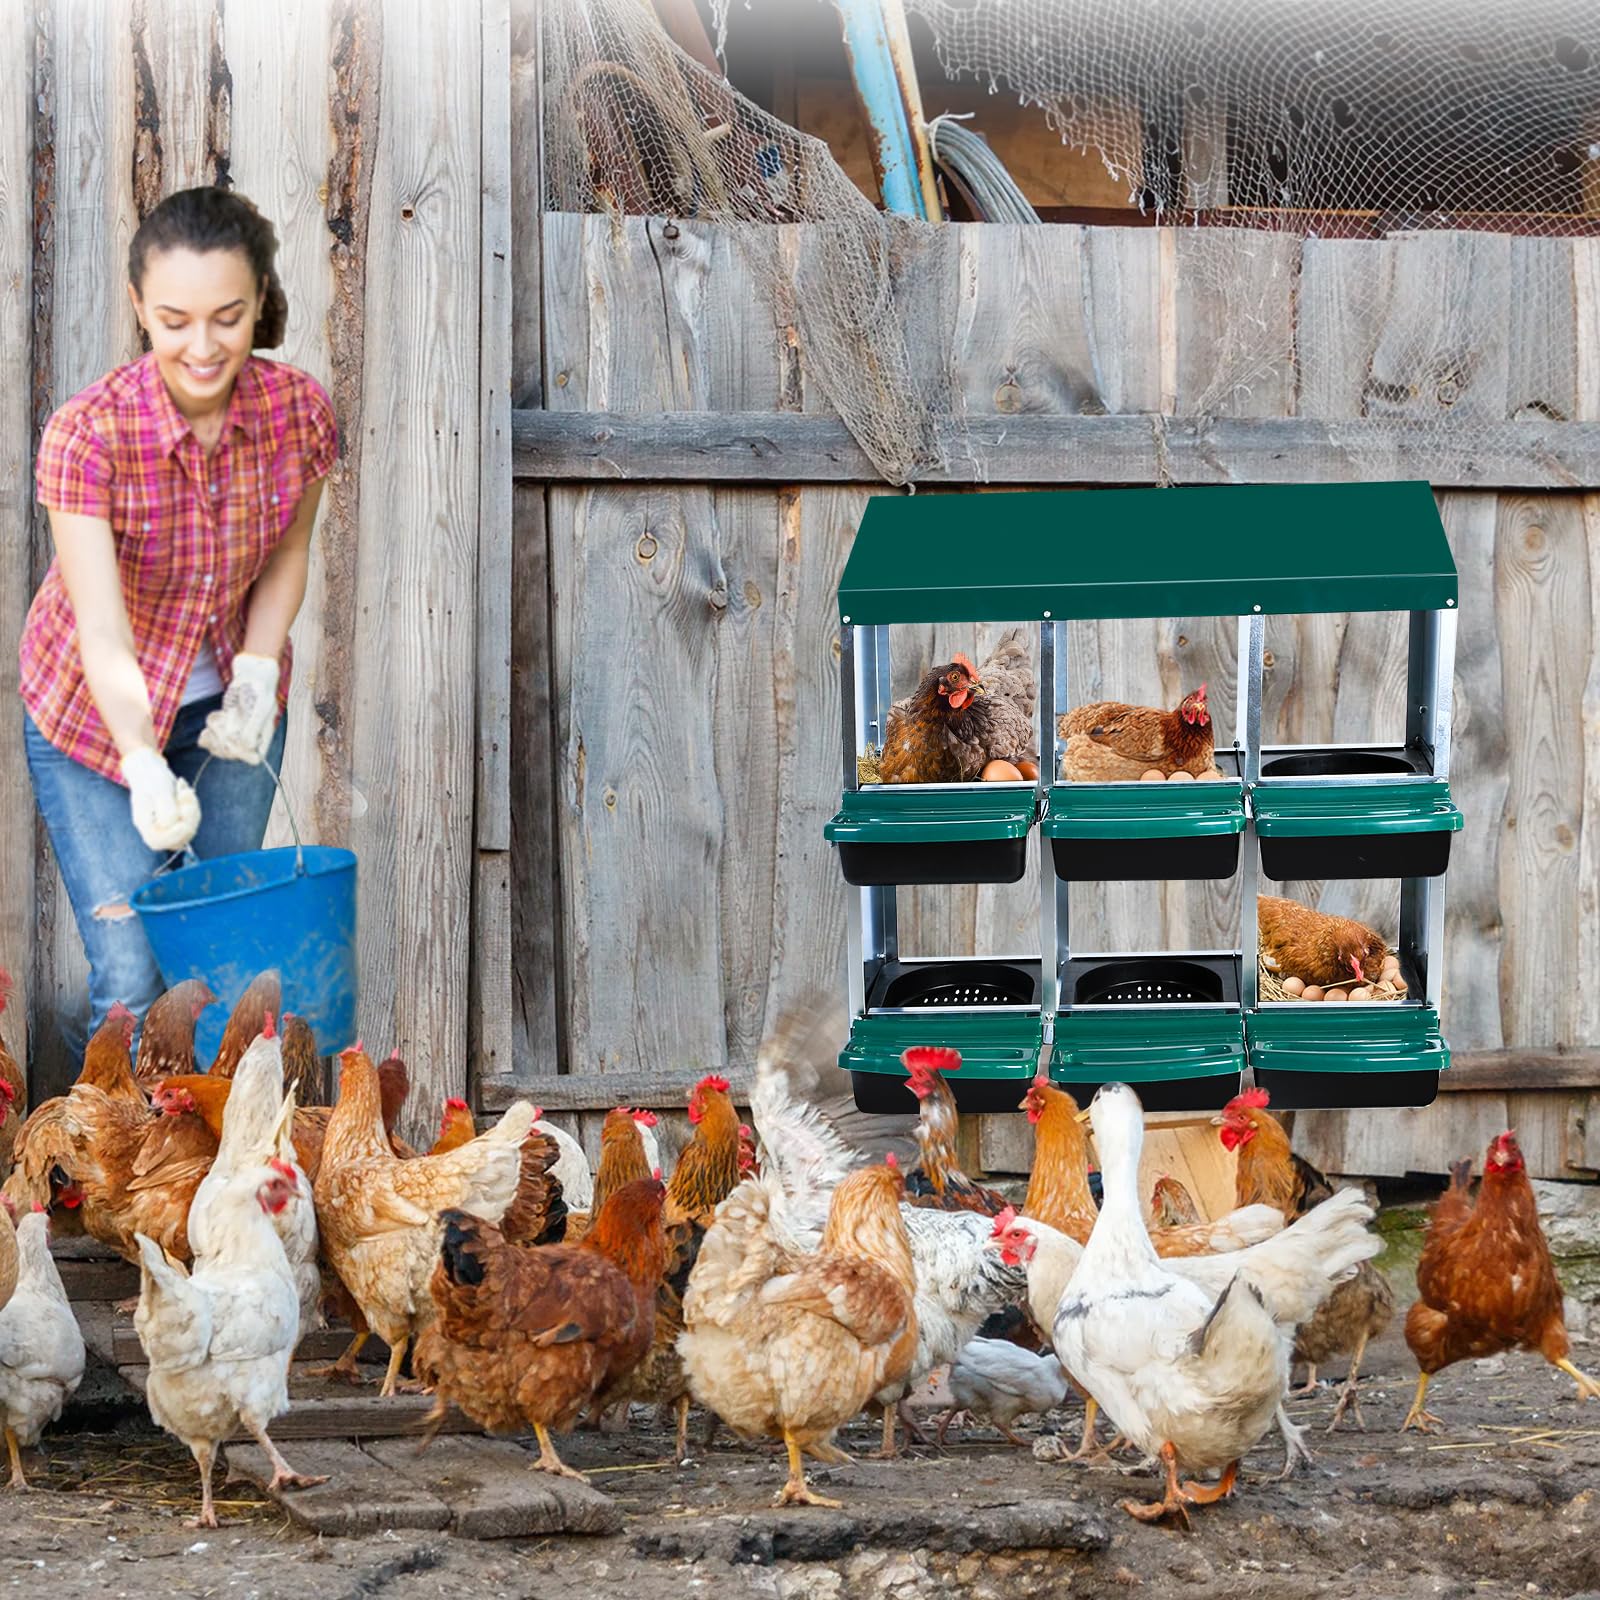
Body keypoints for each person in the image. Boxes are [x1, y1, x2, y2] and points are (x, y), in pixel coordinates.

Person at [20, 185, 338, 1054]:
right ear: (139, 309)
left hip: (227, 708)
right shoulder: (88, 434)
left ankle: (208, 1181)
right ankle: (110, 1187)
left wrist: (258, 673)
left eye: (228, 318)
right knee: (131, 975)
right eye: (174, 320)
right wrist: (141, 763)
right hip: (94, 722)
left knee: (223, 962)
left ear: (260, 301)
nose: (203, 346)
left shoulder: (298, 413)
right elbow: (102, 631)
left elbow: (287, 555)